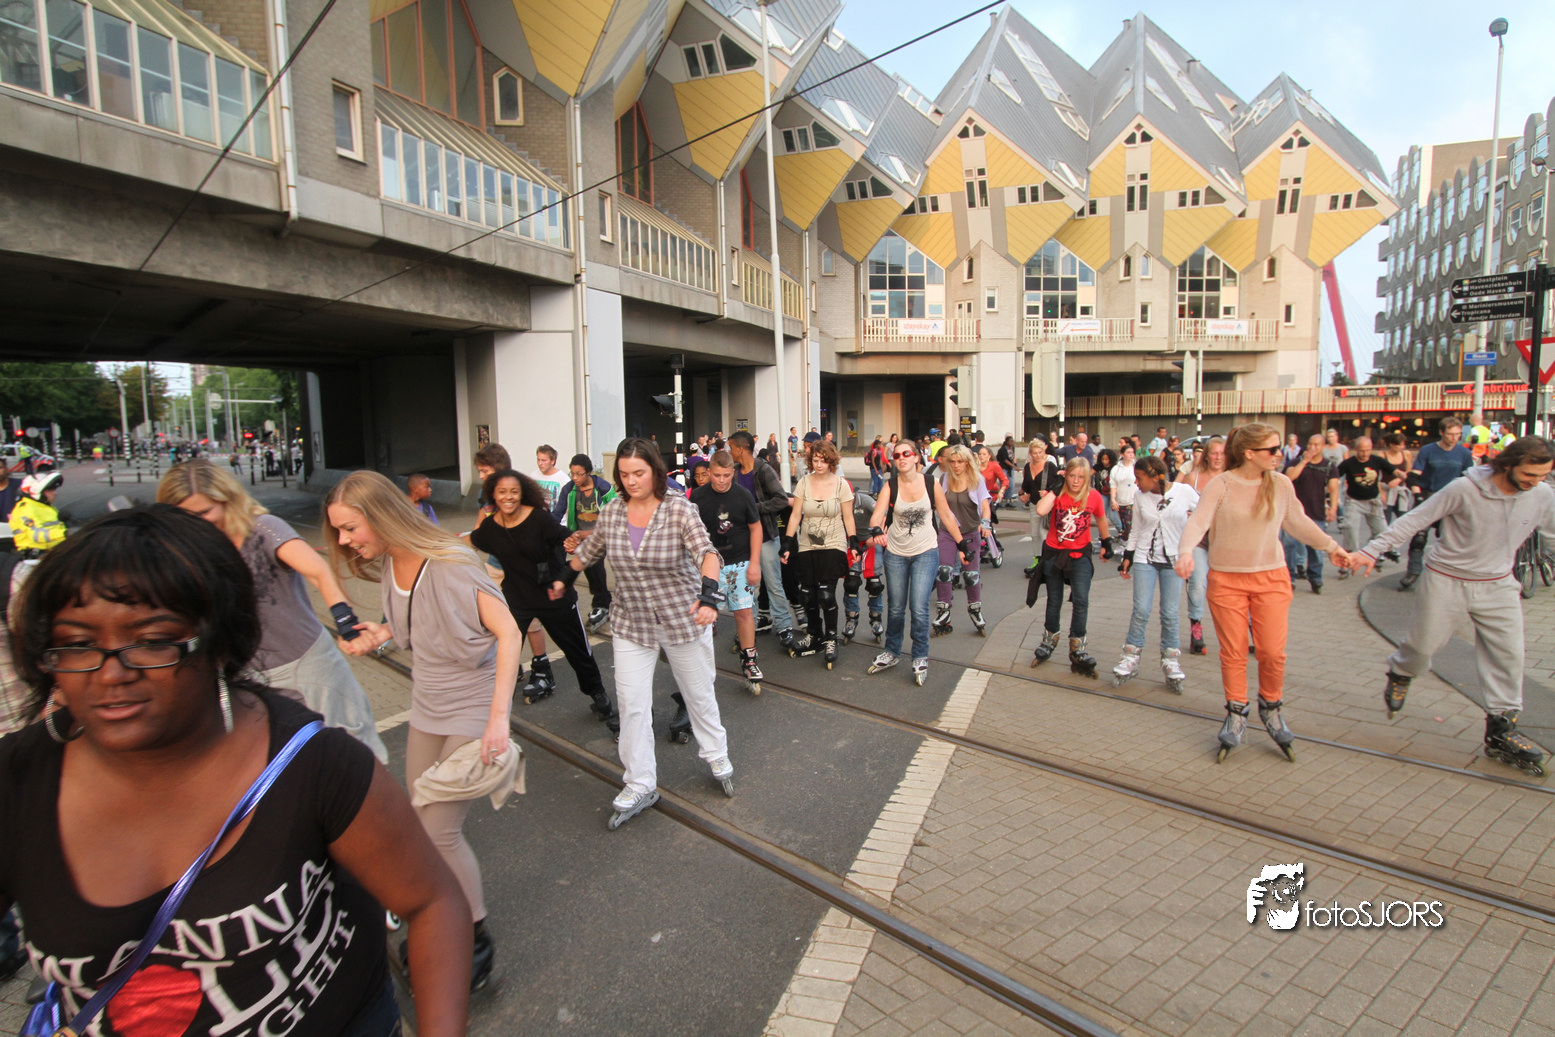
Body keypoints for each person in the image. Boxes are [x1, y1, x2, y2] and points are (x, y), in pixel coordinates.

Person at [2, 505, 472, 1032]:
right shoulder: (16, 782)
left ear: (220, 642)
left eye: (154, 641)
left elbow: (432, 901)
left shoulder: (313, 763)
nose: (112, 674)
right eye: (78, 644)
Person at [328, 471, 523, 988]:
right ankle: (440, 917)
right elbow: (419, 622)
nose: (344, 541)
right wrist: (383, 632)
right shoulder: (393, 561)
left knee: (439, 831)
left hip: (472, 705)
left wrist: (498, 719)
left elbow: (508, 631)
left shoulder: (450, 563)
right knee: (419, 826)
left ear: (379, 515)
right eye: (339, 531)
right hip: (428, 704)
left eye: (350, 528)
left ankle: (473, 940)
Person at [158, 461, 388, 763]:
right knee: (284, 762)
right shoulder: (190, 551)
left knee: (350, 750)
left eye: (204, 513)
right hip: (247, 678)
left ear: (227, 500)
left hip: (305, 667)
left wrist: (346, 624)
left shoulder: (262, 528)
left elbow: (318, 572)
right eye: (185, 517)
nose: (196, 524)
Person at [1350, 437, 1555, 775]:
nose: (1535, 482)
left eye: (1543, 476)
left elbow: (1552, 534)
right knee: (1423, 647)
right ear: (1508, 464)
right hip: (1447, 579)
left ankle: (1502, 727)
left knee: (1509, 654)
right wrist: (1371, 551)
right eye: (1529, 475)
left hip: (1498, 583)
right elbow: (1414, 520)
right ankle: (1402, 671)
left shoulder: (1542, 494)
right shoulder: (1465, 488)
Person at [565, 439, 734, 827]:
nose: (631, 481)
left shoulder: (679, 509)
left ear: (655, 471)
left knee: (698, 693)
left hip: (683, 617)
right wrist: (561, 574)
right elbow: (590, 551)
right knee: (632, 703)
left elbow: (707, 553)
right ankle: (639, 781)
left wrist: (709, 595)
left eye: (638, 473)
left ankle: (716, 753)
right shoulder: (612, 511)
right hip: (632, 621)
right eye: (624, 474)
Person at [1175, 423, 1348, 763]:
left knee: (1271, 652)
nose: (1279, 454)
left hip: (1271, 578)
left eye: (1279, 447)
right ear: (1250, 453)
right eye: (1272, 449)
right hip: (1227, 580)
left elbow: (1298, 522)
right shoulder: (1222, 484)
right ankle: (1237, 711)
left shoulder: (1280, 484)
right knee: (1234, 652)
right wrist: (1185, 553)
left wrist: (1332, 547)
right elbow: (1198, 522)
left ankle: (1270, 706)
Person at [468, 469, 617, 735]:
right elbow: (471, 540)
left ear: (522, 493)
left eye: (514, 492)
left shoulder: (539, 519)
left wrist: (572, 543)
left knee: (579, 653)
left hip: (554, 597)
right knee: (497, 653)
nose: (508, 497)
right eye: (502, 492)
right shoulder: (491, 527)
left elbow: (565, 537)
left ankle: (598, 694)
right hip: (517, 600)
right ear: (493, 495)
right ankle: (487, 708)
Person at [865, 440, 968, 684]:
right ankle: (892, 651)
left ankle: (920, 655)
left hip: (925, 551)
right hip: (896, 553)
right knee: (896, 607)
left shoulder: (931, 483)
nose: (901, 458)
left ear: (916, 457)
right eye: (896, 455)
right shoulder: (890, 485)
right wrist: (876, 529)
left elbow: (946, 515)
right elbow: (877, 515)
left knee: (919, 607)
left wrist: (961, 544)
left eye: (906, 453)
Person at [1111, 454, 1199, 691]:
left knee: (1169, 613)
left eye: (1139, 478)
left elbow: (1204, 515)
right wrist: (1128, 557)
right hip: (1144, 558)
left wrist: (1193, 542)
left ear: (1153, 477)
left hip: (1173, 560)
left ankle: (1170, 660)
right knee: (1141, 609)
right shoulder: (1140, 496)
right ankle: (1130, 656)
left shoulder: (1184, 492)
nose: (1136, 483)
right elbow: (1136, 529)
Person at [1031, 458, 1112, 675]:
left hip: (1080, 554)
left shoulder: (1093, 496)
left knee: (1081, 599)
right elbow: (1041, 510)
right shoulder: (1058, 494)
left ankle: (1077, 646)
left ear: (1087, 479)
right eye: (1072, 476)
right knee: (1054, 600)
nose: (1076, 481)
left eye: (1081, 477)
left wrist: (1106, 542)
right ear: (1065, 475)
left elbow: (1101, 518)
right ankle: (1049, 639)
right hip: (1054, 553)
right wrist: (1055, 490)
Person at [691, 451, 764, 691]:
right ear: (708, 473)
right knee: (702, 617)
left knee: (744, 612)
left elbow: (756, 528)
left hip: (740, 562)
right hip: (708, 564)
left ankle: (749, 659)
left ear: (733, 472)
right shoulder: (697, 497)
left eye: (726, 475)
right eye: (716, 475)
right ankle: (696, 666)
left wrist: (755, 563)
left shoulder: (743, 495)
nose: (721, 480)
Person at [784, 439, 856, 667]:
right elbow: (796, 515)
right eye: (815, 460)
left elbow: (848, 517)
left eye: (823, 460)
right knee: (807, 594)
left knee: (826, 594)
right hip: (807, 544)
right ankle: (815, 635)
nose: (819, 464)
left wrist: (854, 541)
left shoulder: (841, 485)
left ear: (831, 462)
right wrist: (787, 542)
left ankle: (831, 638)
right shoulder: (804, 483)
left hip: (833, 543)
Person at [728, 430, 797, 649]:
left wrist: (754, 508)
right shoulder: (734, 472)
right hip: (743, 539)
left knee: (774, 583)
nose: (730, 452)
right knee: (748, 585)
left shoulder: (763, 470)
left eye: (731, 448)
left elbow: (781, 499)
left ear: (741, 449)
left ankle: (784, 626)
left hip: (766, 536)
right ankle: (751, 624)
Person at [1400, 418, 1475, 590]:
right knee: (1419, 537)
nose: (1454, 438)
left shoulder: (1463, 453)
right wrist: (1418, 496)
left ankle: (1445, 575)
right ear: (1441, 433)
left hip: (1452, 498)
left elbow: (1469, 477)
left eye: (1458, 434)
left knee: (1448, 539)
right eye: (1450, 434)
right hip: (1429, 495)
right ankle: (1413, 571)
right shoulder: (1428, 450)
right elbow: (1414, 476)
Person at [932, 445, 993, 637]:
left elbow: (985, 505)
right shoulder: (944, 479)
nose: (956, 465)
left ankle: (975, 610)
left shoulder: (977, 480)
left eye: (960, 461)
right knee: (944, 570)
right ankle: (943, 611)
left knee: (971, 575)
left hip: (969, 532)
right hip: (947, 532)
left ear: (967, 462)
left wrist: (986, 523)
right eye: (952, 461)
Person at [554, 453, 615, 633]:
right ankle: (602, 600)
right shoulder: (569, 489)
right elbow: (558, 513)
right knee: (583, 564)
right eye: (572, 473)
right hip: (579, 534)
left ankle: (601, 603)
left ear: (588, 472)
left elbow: (615, 514)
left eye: (579, 474)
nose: (575, 478)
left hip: (601, 534)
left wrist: (588, 534)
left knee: (593, 560)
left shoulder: (603, 488)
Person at [1181, 436, 1226, 653]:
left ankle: (1246, 626)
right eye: (1214, 453)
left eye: (1222, 453)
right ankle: (1196, 628)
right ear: (1207, 455)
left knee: (1226, 586)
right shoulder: (1193, 477)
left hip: (1224, 540)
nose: (1218, 457)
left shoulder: (1231, 478)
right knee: (1198, 583)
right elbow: (1178, 504)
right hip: (1199, 539)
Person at [1281, 434, 1341, 594]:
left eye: (1316, 445)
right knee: (1289, 546)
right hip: (1293, 514)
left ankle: (1316, 578)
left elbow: (1334, 488)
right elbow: (1288, 478)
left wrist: (1333, 508)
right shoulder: (1297, 461)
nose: (1312, 448)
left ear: (1323, 447)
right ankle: (1289, 578)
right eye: (1310, 444)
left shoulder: (1329, 466)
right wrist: (1304, 461)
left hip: (1316, 512)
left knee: (1316, 548)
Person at [1336, 437, 1401, 568]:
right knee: (1350, 528)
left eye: (1368, 450)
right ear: (1356, 449)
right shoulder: (1348, 463)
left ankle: (1375, 551)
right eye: (1362, 451)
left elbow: (1394, 471)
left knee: (1382, 530)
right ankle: (1350, 556)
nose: (1365, 454)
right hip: (1354, 501)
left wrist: (1405, 477)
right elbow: (1334, 476)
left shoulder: (1376, 460)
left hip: (1373, 501)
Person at [1020, 437, 1063, 577]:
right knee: (1034, 534)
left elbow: (1058, 484)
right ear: (1030, 453)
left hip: (1047, 505)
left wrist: (1048, 492)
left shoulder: (1049, 466)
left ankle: (1047, 561)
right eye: (1035, 453)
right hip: (1034, 504)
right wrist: (1024, 494)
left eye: (1040, 452)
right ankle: (1036, 559)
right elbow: (1027, 485)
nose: (1037, 455)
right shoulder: (1028, 467)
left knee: (1044, 533)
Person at [9, 470, 65, 555]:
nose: (54, 493)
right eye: (49, 490)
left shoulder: (44, 506)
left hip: (54, 552)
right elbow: (36, 534)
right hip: (36, 556)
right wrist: (65, 533)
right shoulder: (26, 508)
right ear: (36, 491)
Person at [1110, 444, 1138, 553]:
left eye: (1132, 452)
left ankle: (1129, 546)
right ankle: (1125, 544)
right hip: (1121, 500)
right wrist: (1113, 500)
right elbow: (1113, 485)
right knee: (1124, 524)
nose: (1131, 455)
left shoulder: (1136, 467)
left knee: (1129, 523)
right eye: (1128, 452)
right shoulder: (1116, 469)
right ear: (1122, 454)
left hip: (1133, 501)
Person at [977, 444, 1008, 525]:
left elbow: (1004, 480)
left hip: (991, 496)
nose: (981, 456)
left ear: (989, 456)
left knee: (987, 519)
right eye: (980, 454)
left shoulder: (994, 466)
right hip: (978, 496)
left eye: (984, 454)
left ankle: (988, 529)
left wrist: (1001, 491)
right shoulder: (975, 467)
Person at [531, 445, 568, 513]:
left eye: (544, 460)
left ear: (552, 461)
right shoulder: (533, 476)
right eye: (538, 460)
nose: (540, 463)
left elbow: (568, 506)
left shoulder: (563, 479)